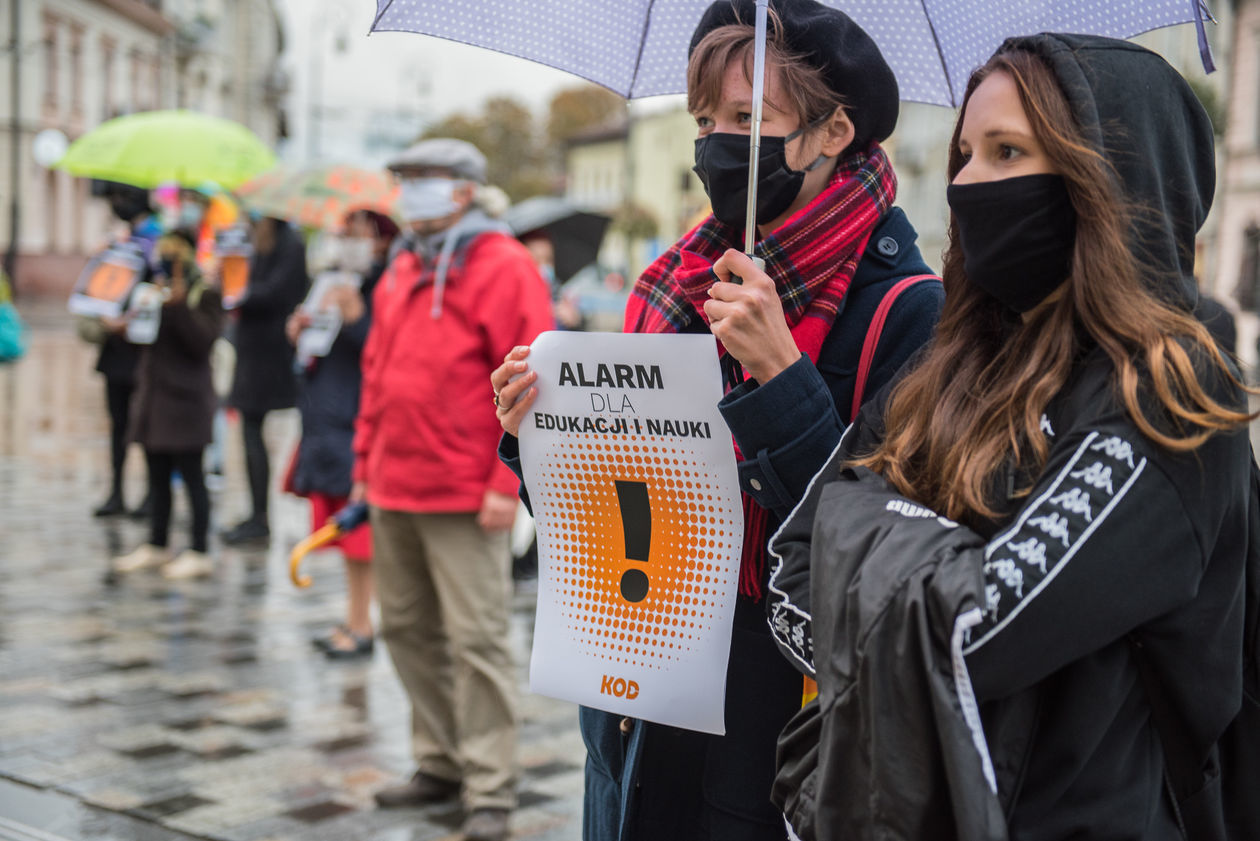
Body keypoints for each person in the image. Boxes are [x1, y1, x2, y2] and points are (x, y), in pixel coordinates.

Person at [766, 34, 1256, 841]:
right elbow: (791, 569)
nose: (967, 183)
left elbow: (979, 632)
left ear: (1110, 174)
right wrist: (930, 567)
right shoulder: (947, 362)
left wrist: (873, 537)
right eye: (964, 154)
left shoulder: (1169, 378)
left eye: (1006, 152)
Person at [492, 2, 944, 838]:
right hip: (640, 697)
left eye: (747, 118)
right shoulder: (676, 286)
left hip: (772, 718)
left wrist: (782, 375)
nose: (714, 143)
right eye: (704, 119)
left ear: (833, 129)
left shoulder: (908, 311)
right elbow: (614, 523)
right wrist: (537, 440)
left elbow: (887, 551)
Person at [355, 138, 554, 841]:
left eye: (423, 178)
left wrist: (507, 479)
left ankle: (490, 783)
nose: (410, 190)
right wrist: (363, 461)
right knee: (407, 629)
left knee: (477, 639)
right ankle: (438, 759)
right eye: (403, 177)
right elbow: (377, 371)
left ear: (465, 190)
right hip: (394, 482)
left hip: (466, 491)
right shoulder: (403, 263)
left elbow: (533, 379)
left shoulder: (505, 265)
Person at [287, 209, 399, 659]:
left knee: (358, 533)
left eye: (359, 234)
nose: (348, 241)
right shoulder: (333, 280)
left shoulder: (387, 285)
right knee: (343, 530)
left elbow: (384, 353)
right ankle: (354, 618)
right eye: (344, 233)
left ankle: (361, 624)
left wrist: (356, 321)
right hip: (323, 417)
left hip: (354, 422)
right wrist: (299, 330)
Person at [111, 232, 226, 579]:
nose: (166, 259)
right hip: (155, 398)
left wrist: (177, 309)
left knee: (192, 476)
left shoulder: (204, 294)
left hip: (186, 400)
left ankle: (199, 549)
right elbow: (140, 338)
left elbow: (201, 342)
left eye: (174, 254)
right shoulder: (151, 291)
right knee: (156, 475)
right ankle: (157, 543)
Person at [222, 215, 308, 545]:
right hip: (252, 350)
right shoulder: (259, 242)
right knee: (248, 429)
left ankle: (260, 517)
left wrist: (240, 293)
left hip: (270, 353)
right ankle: (256, 513)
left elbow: (277, 292)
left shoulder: (291, 244)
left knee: (253, 428)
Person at [79, 182, 159, 518]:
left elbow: (161, 291)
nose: (115, 205)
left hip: (144, 350)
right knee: (119, 424)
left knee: (148, 426)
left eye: (119, 198)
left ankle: (153, 495)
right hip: (116, 351)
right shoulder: (118, 242)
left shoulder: (160, 241)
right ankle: (116, 491)